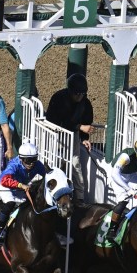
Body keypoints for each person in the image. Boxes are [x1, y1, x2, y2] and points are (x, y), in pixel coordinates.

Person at [45, 73, 95, 201]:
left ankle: (79, 198)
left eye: (82, 94)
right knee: (57, 165)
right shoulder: (58, 98)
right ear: (70, 91)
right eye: (76, 94)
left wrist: (84, 138)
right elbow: (56, 121)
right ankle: (53, 195)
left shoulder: (85, 103)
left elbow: (87, 120)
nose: (79, 97)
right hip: (56, 135)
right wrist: (79, 127)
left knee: (75, 165)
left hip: (73, 137)